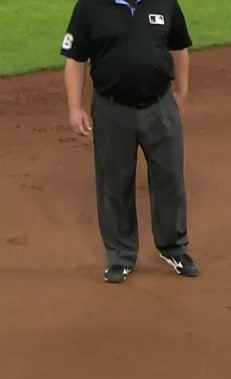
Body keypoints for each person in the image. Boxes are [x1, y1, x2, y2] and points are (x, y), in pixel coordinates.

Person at [61, 0, 199, 284]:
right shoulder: (90, 6)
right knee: (114, 181)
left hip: (160, 106)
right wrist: (75, 108)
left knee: (169, 176)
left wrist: (182, 91)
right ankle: (120, 255)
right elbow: (75, 59)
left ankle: (173, 248)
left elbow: (179, 47)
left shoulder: (165, 3)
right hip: (112, 109)